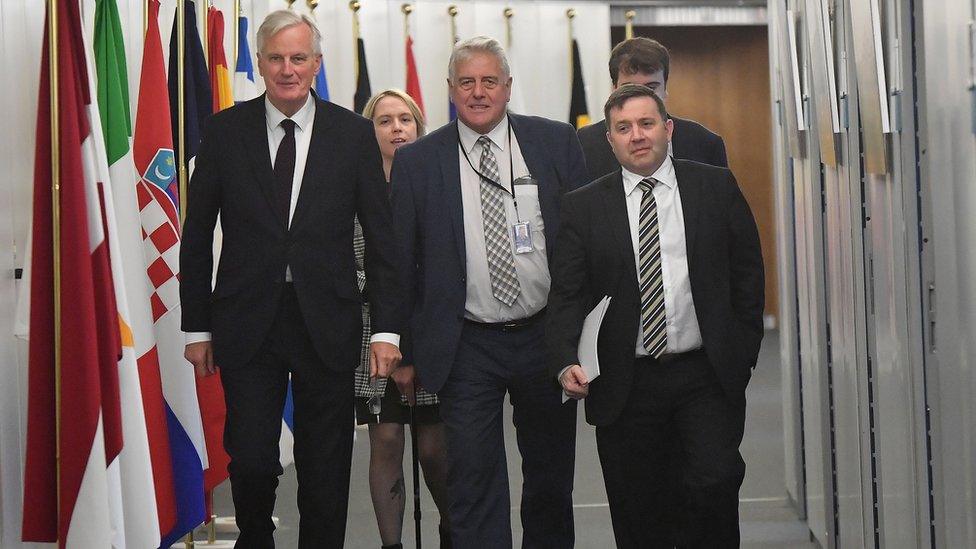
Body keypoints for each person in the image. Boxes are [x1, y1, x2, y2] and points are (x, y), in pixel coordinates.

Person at [180, 10, 403, 547]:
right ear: (259, 64)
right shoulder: (225, 130)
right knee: (253, 460)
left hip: (328, 322)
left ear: (316, 63)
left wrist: (387, 330)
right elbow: (196, 234)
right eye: (276, 58)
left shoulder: (353, 135)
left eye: (298, 58)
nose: (287, 69)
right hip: (245, 322)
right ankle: (255, 537)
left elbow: (382, 240)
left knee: (325, 468)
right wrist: (196, 329)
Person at [390, 36, 588, 548]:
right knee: (473, 478)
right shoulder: (418, 161)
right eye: (467, 82)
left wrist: (582, 337)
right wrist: (407, 351)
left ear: (507, 87)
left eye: (489, 81)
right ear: (451, 90)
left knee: (549, 476)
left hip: (546, 337)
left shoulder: (555, 142)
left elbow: (584, 241)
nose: (478, 92)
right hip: (466, 342)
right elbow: (401, 265)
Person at [546, 84, 764, 547]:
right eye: (623, 128)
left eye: (646, 124)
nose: (637, 136)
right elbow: (568, 294)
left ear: (668, 130)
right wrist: (565, 359)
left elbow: (748, 274)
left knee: (715, 483)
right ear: (610, 139)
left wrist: (741, 353)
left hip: (704, 374)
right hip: (627, 382)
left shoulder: (714, 186)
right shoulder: (583, 207)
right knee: (639, 508)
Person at [355, 89, 451, 549]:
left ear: (419, 126)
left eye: (405, 119)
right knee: (387, 440)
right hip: (374, 337)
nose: (396, 128)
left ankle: (454, 530)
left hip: (430, 328)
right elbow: (355, 263)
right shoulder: (356, 188)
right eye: (384, 120)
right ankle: (391, 544)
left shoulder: (438, 182)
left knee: (434, 448)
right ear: (369, 132)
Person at [577, 37, 728, 183]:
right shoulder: (585, 143)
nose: (640, 98)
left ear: (665, 89)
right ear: (614, 89)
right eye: (630, 88)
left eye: (651, 88)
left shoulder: (705, 143)